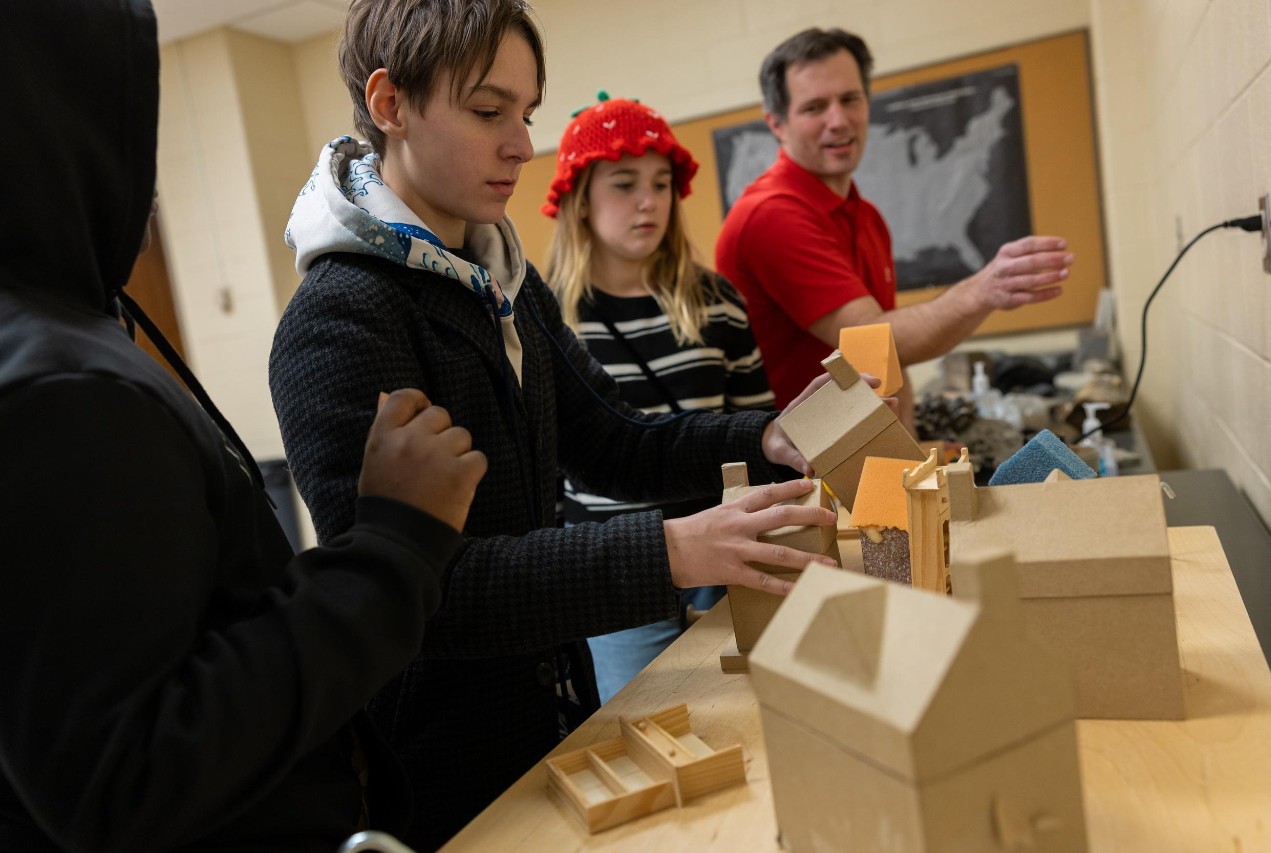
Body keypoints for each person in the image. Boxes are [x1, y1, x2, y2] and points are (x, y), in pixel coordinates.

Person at [267, 1, 850, 848]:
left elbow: (616, 443)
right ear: (390, 104)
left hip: (548, 708)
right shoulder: (341, 321)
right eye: (488, 111)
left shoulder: (499, 276)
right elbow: (417, 592)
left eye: (527, 114)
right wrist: (671, 550)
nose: (521, 144)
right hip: (438, 758)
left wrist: (761, 436)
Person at [0, 1, 487, 851]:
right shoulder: (62, 384)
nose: (515, 142)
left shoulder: (61, 334)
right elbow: (122, 774)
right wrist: (395, 543)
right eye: (487, 111)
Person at [716, 27, 1075, 432]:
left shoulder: (866, 216)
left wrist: (909, 454)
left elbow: (890, 360)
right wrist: (984, 289)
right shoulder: (770, 215)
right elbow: (872, 342)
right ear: (777, 124)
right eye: (814, 107)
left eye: (850, 99)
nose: (838, 121)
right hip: (798, 474)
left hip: (862, 459)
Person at [541, 93, 776, 702]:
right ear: (580, 200)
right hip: (616, 572)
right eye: (624, 184)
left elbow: (757, 428)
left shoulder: (714, 299)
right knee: (645, 723)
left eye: (662, 183)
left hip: (726, 552)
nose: (649, 201)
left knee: (747, 715)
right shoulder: (548, 318)